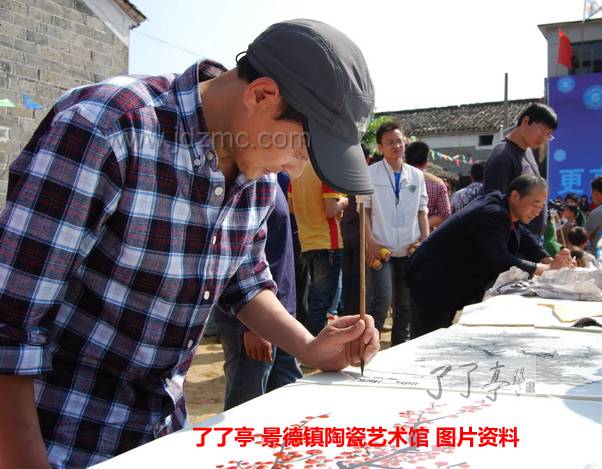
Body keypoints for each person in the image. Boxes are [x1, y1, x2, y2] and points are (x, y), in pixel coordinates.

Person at [0, 19, 380, 468]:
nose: (294, 171)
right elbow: (11, 319)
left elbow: (244, 280)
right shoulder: (110, 126)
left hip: (161, 433)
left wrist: (309, 345)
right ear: (261, 95)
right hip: (59, 436)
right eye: (300, 151)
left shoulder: (256, 173)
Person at [406, 175, 575, 336]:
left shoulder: (503, 206)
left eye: (541, 207)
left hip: (449, 280)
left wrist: (548, 259)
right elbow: (500, 259)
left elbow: (523, 235)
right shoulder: (492, 212)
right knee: (428, 339)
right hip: (431, 278)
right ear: (515, 196)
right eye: (534, 204)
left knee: (441, 335)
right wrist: (544, 269)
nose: (537, 212)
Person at [213, 179, 302, 410]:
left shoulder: (272, 178)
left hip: (281, 313)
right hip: (251, 320)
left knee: (290, 402)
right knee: (247, 406)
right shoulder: (244, 181)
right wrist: (253, 328)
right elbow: (237, 261)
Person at [359, 121, 429, 346]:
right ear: (380, 147)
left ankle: (400, 347)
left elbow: (422, 211)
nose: (396, 146)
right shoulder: (369, 173)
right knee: (382, 300)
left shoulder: (417, 176)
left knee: (405, 304)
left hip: (409, 248)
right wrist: (370, 242)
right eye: (390, 142)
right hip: (381, 247)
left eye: (399, 141)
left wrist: (424, 241)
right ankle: (369, 345)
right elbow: (363, 210)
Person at [289, 163, 348, 335]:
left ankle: (309, 342)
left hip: (307, 241)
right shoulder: (326, 169)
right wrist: (344, 201)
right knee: (321, 304)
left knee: (313, 301)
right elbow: (331, 210)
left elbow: (291, 206)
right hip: (327, 242)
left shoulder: (298, 169)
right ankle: (314, 344)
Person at [483, 103, 558, 237]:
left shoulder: (528, 151)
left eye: (548, 135)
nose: (544, 138)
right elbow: (494, 207)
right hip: (515, 239)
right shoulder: (503, 156)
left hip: (531, 237)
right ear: (525, 121)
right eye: (542, 131)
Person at [340, 144, 372, 316]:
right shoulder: (365, 179)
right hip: (359, 237)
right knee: (359, 282)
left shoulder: (343, 176)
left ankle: (351, 315)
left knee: (350, 281)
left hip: (347, 235)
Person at [405, 141, 451, 230]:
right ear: (426, 162)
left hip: (400, 234)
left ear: (405, 161)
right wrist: (421, 226)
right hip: (427, 235)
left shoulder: (396, 181)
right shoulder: (438, 183)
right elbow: (445, 213)